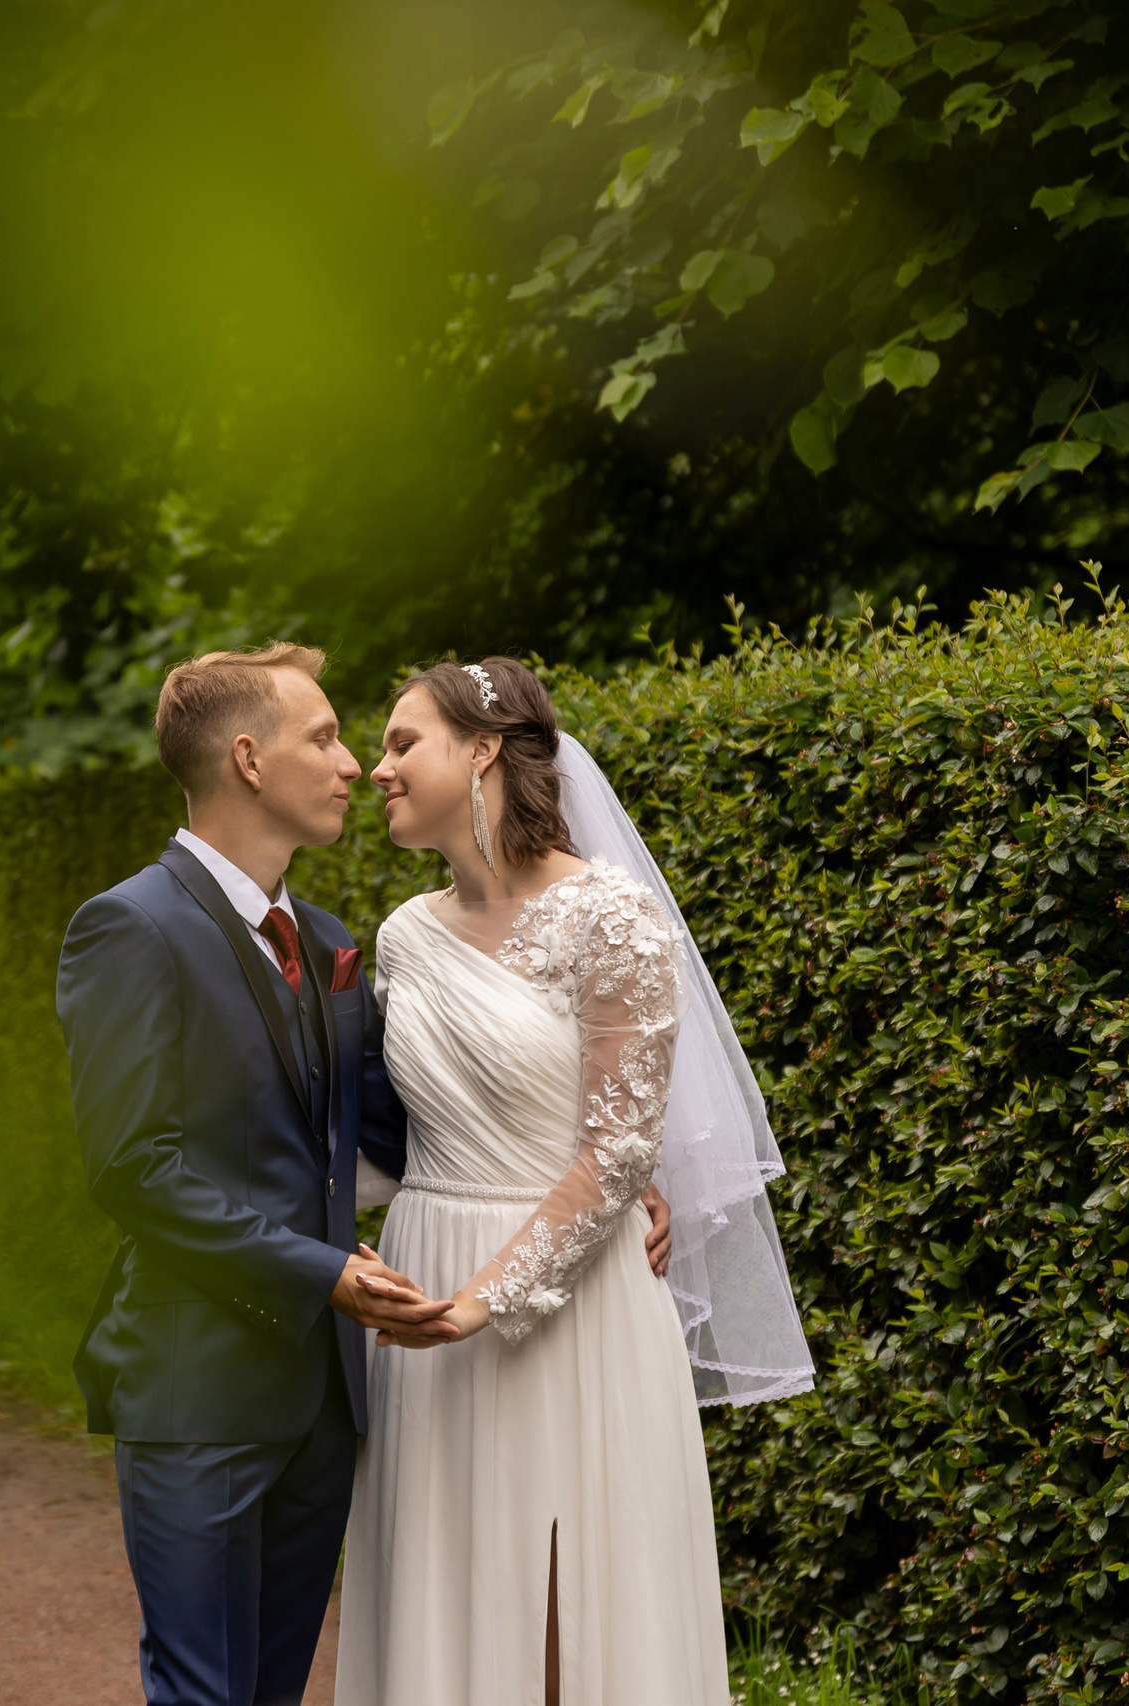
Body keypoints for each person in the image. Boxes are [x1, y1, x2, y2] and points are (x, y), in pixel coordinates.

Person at [54, 642, 676, 1706]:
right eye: (329, 736)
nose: (355, 764)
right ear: (248, 759)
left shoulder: (332, 940)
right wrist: (323, 1271)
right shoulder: (131, 924)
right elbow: (131, 1165)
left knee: (279, 1685)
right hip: (194, 1379)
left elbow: (385, 1133)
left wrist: (607, 1169)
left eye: (379, 740)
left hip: (332, 1396)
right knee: (204, 1689)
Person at [335, 657, 816, 1706]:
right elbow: (398, 1136)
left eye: (401, 741)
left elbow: (612, 1152)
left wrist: (479, 1302)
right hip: (423, 1288)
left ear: (483, 750)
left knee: (574, 1614)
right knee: (443, 1588)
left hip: (569, 1306)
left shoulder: (614, 918)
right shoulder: (403, 938)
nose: (376, 769)